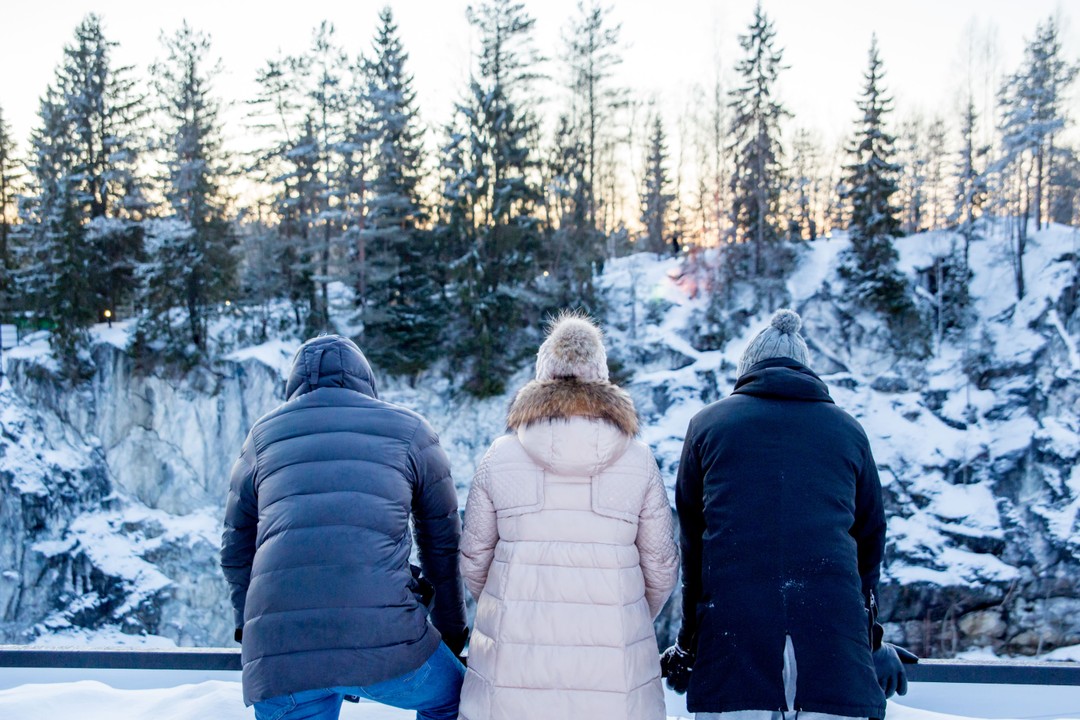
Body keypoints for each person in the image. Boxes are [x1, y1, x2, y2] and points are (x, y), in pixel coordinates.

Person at [662, 309, 916, 720]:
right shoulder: (849, 430)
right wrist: (871, 640)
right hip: (834, 642)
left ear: (748, 368)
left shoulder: (708, 426)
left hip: (734, 640)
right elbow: (870, 542)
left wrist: (689, 645)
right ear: (806, 369)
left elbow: (694, 550)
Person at [221, 334, 468, 720]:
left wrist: (250, 631)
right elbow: (442, 545)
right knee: (458, 699)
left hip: (279, 655)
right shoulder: (411, 431)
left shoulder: (261, 437)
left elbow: (236, 551)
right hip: (387, 640)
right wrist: (450, 634)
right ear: (365, 380)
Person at [458, 314, 679, 720]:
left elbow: (473, 559)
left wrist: (509, 603)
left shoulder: (500, 456)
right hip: (614, 675)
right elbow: (662, 567)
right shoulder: (639, 460)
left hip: (513, 667)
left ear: (543, 377)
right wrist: (624, 613)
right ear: (602, 378)